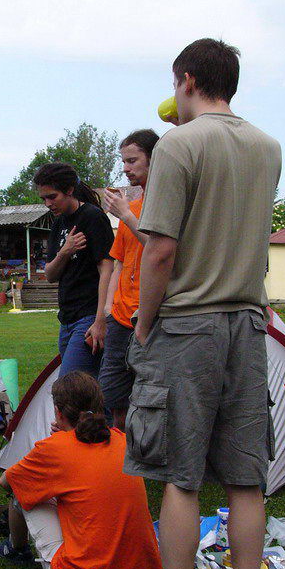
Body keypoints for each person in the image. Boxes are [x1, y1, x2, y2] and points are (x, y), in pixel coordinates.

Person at [126, 38, 281, 569]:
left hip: (188, 325)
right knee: (246, 479)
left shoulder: (179, 146)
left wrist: (142, 324)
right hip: (248, 323)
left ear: (186, 80)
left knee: (182, 478)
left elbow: (159, 248)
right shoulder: (268, 148)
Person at [0, 372, 162, 569]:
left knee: (23, 488)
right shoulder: (121, 440)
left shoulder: (54, 448)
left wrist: (53, 446)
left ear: (58, 412)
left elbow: (6, 482)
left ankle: (16, 550)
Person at [99, 130, 159, 429]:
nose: (125, 168)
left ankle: (146, 460)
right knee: (113, 397)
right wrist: (109, 308)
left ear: (155, 159)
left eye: (132, 160)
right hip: (120, 319)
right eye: (123, 161)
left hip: (152, 318)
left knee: (150, 396)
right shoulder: (131, 209)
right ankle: (119, 465)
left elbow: (160, 250)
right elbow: (119, 264)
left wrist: (125, 214)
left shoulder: (167, 205)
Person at [36, 163, 114, 377]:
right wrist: (65, 251)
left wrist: (101, 320)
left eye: (52, 197)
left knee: (70, 387)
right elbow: (50, 275)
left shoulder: (93, 217)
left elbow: (107, 269)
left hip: (88, 318)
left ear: (69, 190)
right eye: (44, 198)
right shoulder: (58, 224)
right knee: (83, 391)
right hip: (67, 320)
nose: (48, 204)